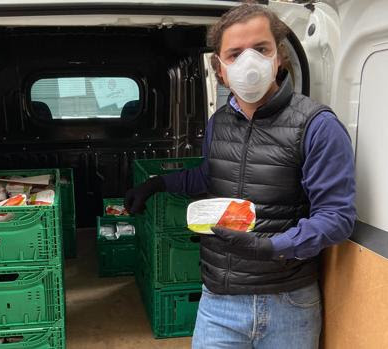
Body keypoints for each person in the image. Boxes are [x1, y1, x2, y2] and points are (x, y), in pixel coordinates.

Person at [124, 3, 356, 349]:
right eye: (234, 54)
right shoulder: (219, 122)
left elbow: (337, 217)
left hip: (288, 301)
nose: (249, 62)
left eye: (260, 49)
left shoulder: (317, 125)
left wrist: (273, 247)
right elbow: (209, 176)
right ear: (219, 68)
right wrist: (158, 183)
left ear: (278, 56)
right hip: (219, 300)